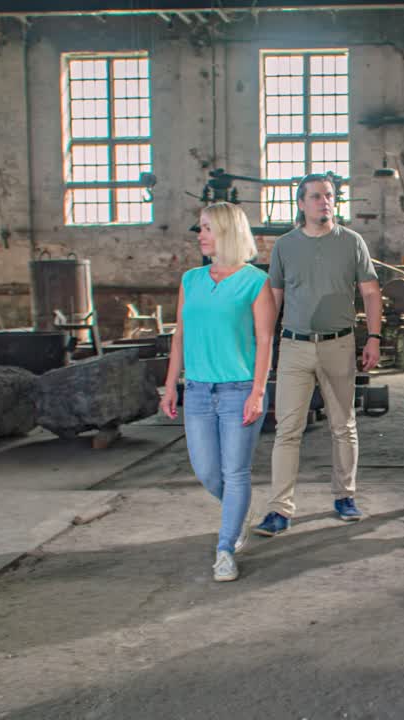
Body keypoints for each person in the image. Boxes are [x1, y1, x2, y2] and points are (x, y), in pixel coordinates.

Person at [253, 173, 383, 537]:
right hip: (294, 346)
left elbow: (371, 293)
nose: (324, 201)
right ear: (301, 203)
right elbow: (274, 297)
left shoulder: (352, 242)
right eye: (315, 196)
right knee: (287, 430)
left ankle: (345, 496)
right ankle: (279, 509)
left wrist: (373, 338)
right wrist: (263, 343)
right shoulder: (285, 246)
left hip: (338, 344)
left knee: (343, 425)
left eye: (328, 195)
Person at [160, 202, 275, 583]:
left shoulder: (255, 282)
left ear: (227, 231)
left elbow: (265, 340)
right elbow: (180, 335)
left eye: (207, 227)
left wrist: (258, 391)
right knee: (207, 471)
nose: (201, 235)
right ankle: (237, 512)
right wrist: (170, 385)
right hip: (197, 390)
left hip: (238, 390)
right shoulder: (191, 280)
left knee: (235, 471)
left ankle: (225, 549)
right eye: (201, 227)